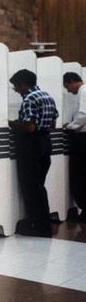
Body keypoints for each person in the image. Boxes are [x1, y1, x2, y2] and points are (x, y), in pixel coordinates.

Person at [8, 69, 58, 237]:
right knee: (39, 185)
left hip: (31, 144)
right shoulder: (47, 96)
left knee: (31, 187)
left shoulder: (29, 99)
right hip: (45, 143)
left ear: (23, 84)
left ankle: (38, 226)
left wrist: (13, 124)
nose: (15, 90)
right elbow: (53, 124)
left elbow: (29, 127)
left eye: (16, 86)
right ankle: (43, 222)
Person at [63, 72, 86, 222]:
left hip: (82, 138)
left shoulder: (83, 92)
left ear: (72, 81)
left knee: (80, 174)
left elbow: (83, 114)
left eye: (67, 87)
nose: (68, 91)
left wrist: (70, 126)